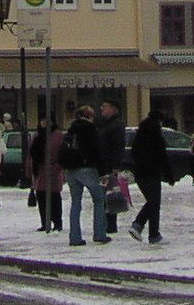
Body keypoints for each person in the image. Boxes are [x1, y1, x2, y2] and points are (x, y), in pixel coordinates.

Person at [61, 105, 108, 246]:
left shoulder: (70, 130)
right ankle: (99, 234)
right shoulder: (91, 130)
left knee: (75, 203)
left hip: (71, 170)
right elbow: (97, 151)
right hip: (87, 168)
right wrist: (103, 171)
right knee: (99, 200)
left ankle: (74, 237)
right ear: (90, 116)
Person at [128, 107, 168, 244]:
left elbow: (133, 152)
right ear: (159, 120)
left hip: (140, 173)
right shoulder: (156, 135)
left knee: (152, 202)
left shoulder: (140, 134)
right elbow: (162, 156)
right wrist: (169, 174)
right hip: (152, 173)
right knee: (154, 203)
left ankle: (139, 227)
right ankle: (151, 233)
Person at [30, 118, 65, 233]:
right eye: (42, 120)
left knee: (54, 197)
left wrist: (58, 166)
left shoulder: (58, 135)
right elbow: (32, 153)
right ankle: (45, 222)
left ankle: (57, 223)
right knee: (41, 196)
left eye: (46, 120)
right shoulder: (37, 135)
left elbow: (63, 152)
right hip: (40, 171)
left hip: (53, 172)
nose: (44, 122)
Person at [94, 100, 124, 233]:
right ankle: (108, 223)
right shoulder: (106, 124)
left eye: (104, 107)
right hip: (104, 165)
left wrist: (115, 166)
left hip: (109, 166)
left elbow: (118, 146)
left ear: (113, 109)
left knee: (110, 194)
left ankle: (111, 224)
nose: (101, 109)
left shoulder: (116, 125)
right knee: (106, 194)